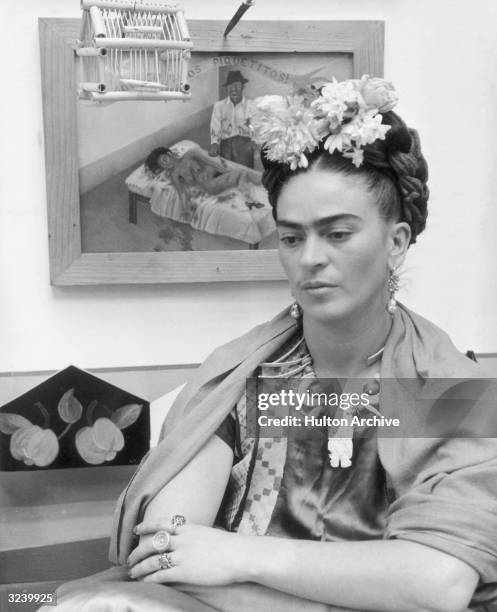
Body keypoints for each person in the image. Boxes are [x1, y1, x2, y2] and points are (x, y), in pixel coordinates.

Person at [45, 77, 497, 612]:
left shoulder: (447, 387)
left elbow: (437, 584)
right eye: (290, 236)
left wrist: (240, 560)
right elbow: (168, 551)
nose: (309, 259)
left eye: (337, 234)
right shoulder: (242, 374)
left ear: (396, 241)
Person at [143, 145, 262, 215]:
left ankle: (258, 185)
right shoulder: (175, 175)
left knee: (242, 174)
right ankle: (249, 198)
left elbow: (211, 162)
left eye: (164, 159)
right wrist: (185, 209)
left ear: (169, 154)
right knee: (243, 173)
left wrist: (226, 171)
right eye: (162, 165)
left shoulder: (190, 154)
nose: (166, 164)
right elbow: (182, 193)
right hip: (211, 185)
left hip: (213, 179)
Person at [209, 70, 256, 168]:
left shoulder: (252, 105)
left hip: (245, 147)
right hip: (225, 147)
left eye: (237, 86)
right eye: (230, 87)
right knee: (228, 175)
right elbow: (215, 127)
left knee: (244, 175)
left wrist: (254, 143)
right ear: (227, 88)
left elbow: (256, 127)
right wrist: (214, 144)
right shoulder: (219, 106)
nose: (233, 89)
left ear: (242, 87)